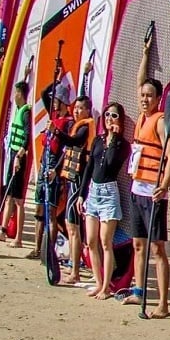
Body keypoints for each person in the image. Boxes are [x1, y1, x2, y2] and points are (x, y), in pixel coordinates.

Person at [123, 33, 170, 314]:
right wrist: (146, 54)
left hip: (153, 194)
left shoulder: (159, 121)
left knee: (157, 249)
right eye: (142, 95)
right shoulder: (142, 115)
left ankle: (164, 303)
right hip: (136, 190)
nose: (144, 99)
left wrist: (165, 185)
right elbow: (139, 80)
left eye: (149, 96)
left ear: (158, 99)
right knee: (138, 245)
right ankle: (138, 291)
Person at [80, 102, 130, 299]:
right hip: (93, 191)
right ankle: (98, 281)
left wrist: (114, 138)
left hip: (109, 192)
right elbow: (90, 167)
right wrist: (82, 194)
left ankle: (107, 287)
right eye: (107, 114)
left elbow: (110, 165)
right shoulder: (97, 140)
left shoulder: (122, 145)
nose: (110, 118)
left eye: (114, 115)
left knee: (105, 241)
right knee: (91, 241)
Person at [30, 82, 73, 261]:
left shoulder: (68, 123)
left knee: (52, 212)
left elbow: (67, 149)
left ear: (63, 101)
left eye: (57, 100)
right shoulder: (53, 115)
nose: (53, 102)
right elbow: (43, 92)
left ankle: (49, 252)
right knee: (39, 209)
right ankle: (37, 248)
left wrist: (56, 170)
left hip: (54, 167)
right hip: (44, 164)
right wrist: (55, 81)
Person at [55, 95, 94, 285]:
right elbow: (67, 151)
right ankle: (73, 264)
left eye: (80, 108)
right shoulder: (77, 126)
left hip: (79, 182)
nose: (76, 111)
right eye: (75, 108)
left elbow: (73, 142)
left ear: (88, 110)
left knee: (73, 226)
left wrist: (56, 131)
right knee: (70, 225)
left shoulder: (85, 128)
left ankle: (75, 270)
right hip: (71, 180)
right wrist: (55, 171)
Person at [0, 81, 31, 248]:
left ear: (20, 94)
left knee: (18, 200)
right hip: (13, 156)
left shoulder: (26, 113)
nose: (14, 96)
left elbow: (27, 137)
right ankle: (2, 230)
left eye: (16, 93)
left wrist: (19, 156)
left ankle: (19, 238)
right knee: (8, 196)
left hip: (19, 158)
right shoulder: (19, 110)